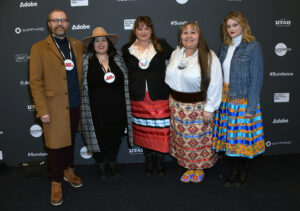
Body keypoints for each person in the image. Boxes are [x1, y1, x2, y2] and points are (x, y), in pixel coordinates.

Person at [29, 9, 83, 206]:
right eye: (55, 20)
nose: (59, 23)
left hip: (75, 103)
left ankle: (68, 170)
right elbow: (35, 81)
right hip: (53, 106)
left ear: (68, 23)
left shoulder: (76, 45)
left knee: (70, 140)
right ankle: (56, 181)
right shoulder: (39, 48)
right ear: (49, 24)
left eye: (63, 20)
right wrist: (42, 109)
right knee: (54, 146)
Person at [212, 11, 265, 188]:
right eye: (228, 26)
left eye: (235, 25)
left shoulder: (253, 46)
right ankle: (233, 171)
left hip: (243, 99)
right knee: (229, 140)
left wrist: (251, 107)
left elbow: (256, 78)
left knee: (242, 140)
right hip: (225, 99)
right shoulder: (225, 47)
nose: (232, 29)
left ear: (243, 25)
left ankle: (244, 170)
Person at [165, 21, 223, 183]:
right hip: (177, 106)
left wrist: (210, 108)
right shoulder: (176, 54)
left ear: (199, 36)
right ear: (180, 36)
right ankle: (189, 166)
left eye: (193, 32)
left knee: (198, 140)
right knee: (182, 139)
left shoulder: (209, 56)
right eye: (185, 32)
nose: (188, 36)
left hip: (199, 107)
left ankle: (199, 167)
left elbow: (216, 84)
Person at [122, 16, 173, 176]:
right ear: (135, 31)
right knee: (143, 131)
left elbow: (179, 59)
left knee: (161, 131)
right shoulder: (126, 49)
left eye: (147, 28)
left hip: (159, 96)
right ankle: (149, 161)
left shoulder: (161, 45)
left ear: (151, 30)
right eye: (140, 28)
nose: (143, 32)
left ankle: (159, 162)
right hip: (138, 97)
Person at [81, 27, 133, 180]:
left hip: (117, 108)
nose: (100, 43)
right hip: (95, 109)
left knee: (115, 137)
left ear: (109, 43)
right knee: (97, 137)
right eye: (96, 40)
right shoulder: (85, 61)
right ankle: (100, 164)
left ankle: (112, 162)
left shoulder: (118, 59)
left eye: (104, 40)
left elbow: (126, 82)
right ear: (92, 44)